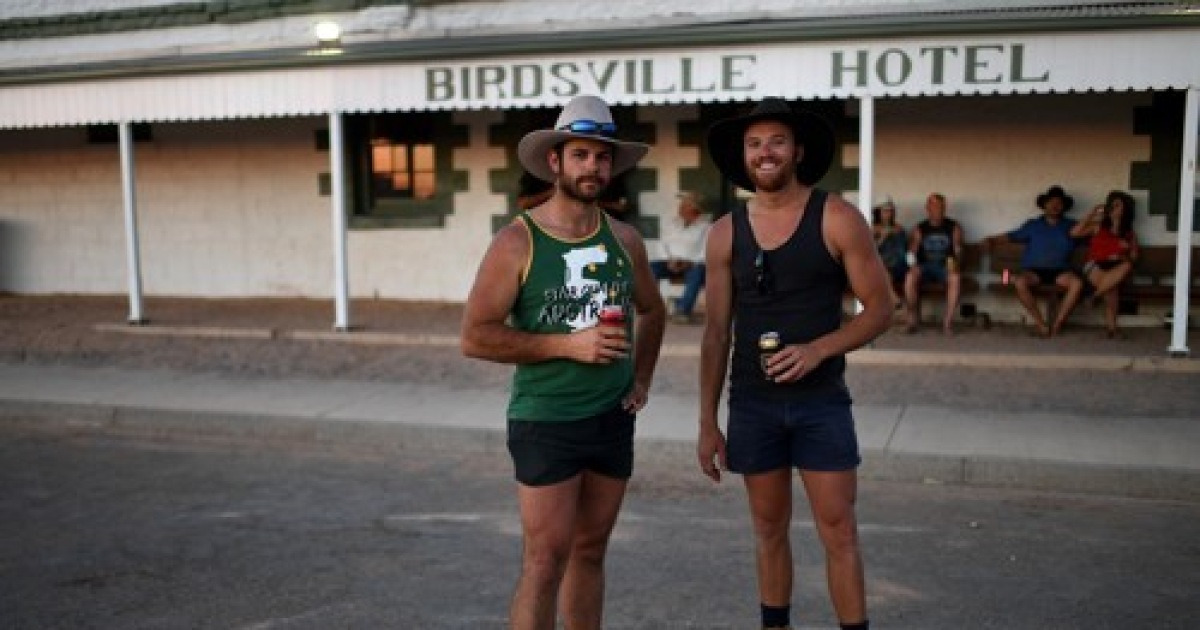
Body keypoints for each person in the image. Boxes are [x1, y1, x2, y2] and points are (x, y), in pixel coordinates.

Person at [460, 94, 667, 630]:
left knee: (591, 552)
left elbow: (653, 309)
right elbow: (475, 337)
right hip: (546, 420)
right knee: (544, 560)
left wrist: (641, 378)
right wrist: (566, 344)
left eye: (602, 157)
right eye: (581, 155)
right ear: (556, 161)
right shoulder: (516, 241)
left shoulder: (624, 240)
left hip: (612, 419)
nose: (592, 167)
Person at [697, 98, 892, 630]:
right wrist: (707, 424)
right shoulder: (723, 233)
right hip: (753, 404)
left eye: (777, 141)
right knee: (767, 530)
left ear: (798, 150)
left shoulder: (836, 217)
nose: (766, 152)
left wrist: (818, 349)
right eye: (755, 143)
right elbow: (716, 334)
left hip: (821, 404)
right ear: (744, 156)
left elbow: (881, 309)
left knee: (839, 531)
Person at [987, 185, 1085, 338]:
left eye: (1059, 203)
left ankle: (1058, 322)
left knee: (1077, 284)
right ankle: (1041, 324)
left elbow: (1093, 236)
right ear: (1044, 205)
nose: (1055, 206)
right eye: (1051, 202)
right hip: (1033, 271)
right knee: (1017, 281)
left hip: (1060, 271)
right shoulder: (1033, 225)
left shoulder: (1071, 226)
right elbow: (1011, 236)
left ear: (1064, 207)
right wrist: (991, 239)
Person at [1071, 190, 1140, 338]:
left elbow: (1134, 256)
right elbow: (1074, 233)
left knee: (1125, 268)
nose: (1114, 208)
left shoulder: (1129, 233)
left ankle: (1094, 296)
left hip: (1116, 267)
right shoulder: (1098, 226)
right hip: (1095, 265)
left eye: (1118, 205)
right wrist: (1092, 213)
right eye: (1112, 204)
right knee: (1111, 288)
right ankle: (1112, 329)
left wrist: (1122, 254)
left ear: (1126, 209)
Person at [902, 193, 965, 335]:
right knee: (910, 276)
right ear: (927, 208)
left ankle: (947, 323)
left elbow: (958, 251)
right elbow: (911, 252)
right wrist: (913, 266)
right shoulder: (920, 228)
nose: (938, 209)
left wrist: (955, 264)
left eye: (940, 206)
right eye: (934, 206)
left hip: (945, 266)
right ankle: (911, 319)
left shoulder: (953, 227)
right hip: (925, 267)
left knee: (955, 278)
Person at [652, 191, 711, 324]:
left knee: (697, 273)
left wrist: (690, 263)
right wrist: (668, 260)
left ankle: (683, 311)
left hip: (693, 264)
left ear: (695, 210)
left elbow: (706, 250)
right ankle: (651, 308)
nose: (681, 209)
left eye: (685, 207)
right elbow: (662, 244)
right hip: (670, 262)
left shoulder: (706, 227)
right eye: (682, 206)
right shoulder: (672, 224)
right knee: (650, 268)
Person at [871, 197, 907, 310]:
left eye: (891, 211)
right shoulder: (872, 229)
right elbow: (869, 252)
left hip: (898, 264)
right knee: (883, 270)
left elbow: (904, 250)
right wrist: (882, 237)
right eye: (885, 211)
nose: (889, 214)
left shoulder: (899, 228)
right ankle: (893, 298)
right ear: (878, 212)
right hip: (880, 266)